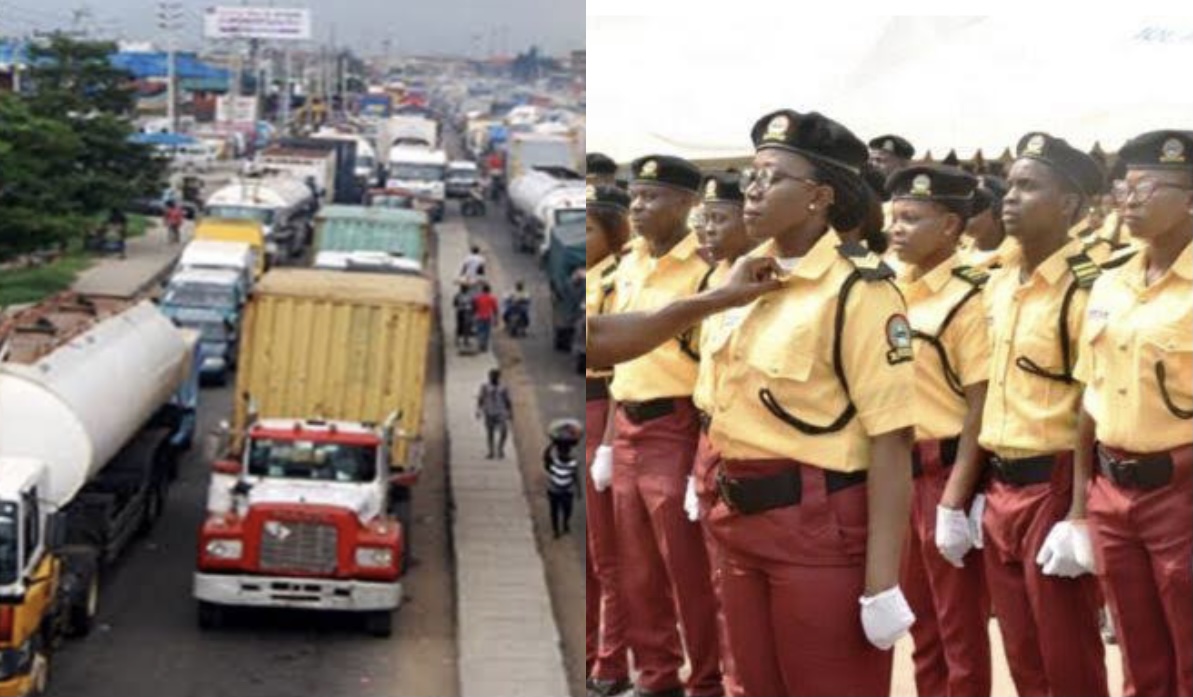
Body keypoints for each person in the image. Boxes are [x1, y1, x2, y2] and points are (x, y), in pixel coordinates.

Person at [698, 109, 915, 696]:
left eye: (772, 176)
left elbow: (892, 438)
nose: (753, 188)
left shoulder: (859, 291)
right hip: (741, 522)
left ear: (819, 196)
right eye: (751, 175)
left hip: (818, 532)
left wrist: (881, 582)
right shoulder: (744, 280)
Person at [978, 131, 1109, 697]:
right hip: (1000, 482)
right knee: (1021, 649)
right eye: (1009, 186)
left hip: (1053, 482)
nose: (1010, 198)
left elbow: (1092, 406)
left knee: (1067, 651)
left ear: (1071, 207)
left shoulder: (1087, 290)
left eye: (1029, 187)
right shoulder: (1001, 282)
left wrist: (1079, 513)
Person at [1073, 130, 1193, 697]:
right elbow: (1090, 397)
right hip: (1113, 493)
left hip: (1183, 491)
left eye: (1149, 188)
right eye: (1126, 187)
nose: (1131, 199)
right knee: (1140, 661)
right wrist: (1081, 503)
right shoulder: (1110, 280)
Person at [607, 154, 723, 697]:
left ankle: (704, 680)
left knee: (688, 572)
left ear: (686, 203)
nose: (637, 205)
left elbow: (713, 371)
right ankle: (656, 676)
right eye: (634, 194)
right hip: (628, 424)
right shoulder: (629, 262)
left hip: (675, 427)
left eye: (651, 196)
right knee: (637, 569)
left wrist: (702, 453)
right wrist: (609, 440)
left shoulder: (705, 273)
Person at [886, 165, 993, 697]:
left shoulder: (968, 296)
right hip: (897, 474)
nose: (896, 228)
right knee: (919, 621)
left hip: (944, 471)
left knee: (959, 630)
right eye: (894, 216)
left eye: (911, 218)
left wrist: (954, 500)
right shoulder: (889, 288)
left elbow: (980, 405)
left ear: (950, 225)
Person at [583, 184, 633, 697]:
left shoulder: (621, 279)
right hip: (592, 400)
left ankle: (611, 659)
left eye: (589, 227)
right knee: (595, 551)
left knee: (610, 555)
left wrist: (608, 440)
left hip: (606, 401)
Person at [543, 422, 580, 538]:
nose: (564, 454)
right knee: (554, 512)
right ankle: (556, 530)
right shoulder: (553, 462)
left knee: (567, 510)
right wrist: (552, 444)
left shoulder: (573, 463)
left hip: (566, 491)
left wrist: (579, 490)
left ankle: (565, 524)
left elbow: (575, 476)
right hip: (554, 491)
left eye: (566, 452)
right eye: (562, 451)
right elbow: (545, 456)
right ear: (558, 452)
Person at [475, 369, 512, 459]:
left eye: (495, 376)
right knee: (490, 433)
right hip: (489, 412)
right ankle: (491, 451)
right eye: (491, 376)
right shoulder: (485, 387)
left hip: (500, 412)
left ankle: (500, 449)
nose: (493, 378)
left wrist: (510, 412)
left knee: (504, 431)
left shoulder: (503, 388)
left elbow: (507, 400)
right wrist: (478, 410)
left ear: (498, 377)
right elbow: (481, 398)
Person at [471, 283, 499, 353]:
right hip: (487, 317)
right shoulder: (492, 298)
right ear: (489, 291)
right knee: (487, 332)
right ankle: (485, 345)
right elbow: (495, 309)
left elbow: (473, 306)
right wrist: (496, 319)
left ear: (482, 290)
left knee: (480, 331)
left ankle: (480, 344)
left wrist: (474, 313)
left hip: (479, 316)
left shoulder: (477, 297)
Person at [453, 281, 476, 348]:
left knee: (460, 326)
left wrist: (460, 305)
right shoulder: (470, 295)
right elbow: (473, 304)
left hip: (460, 311)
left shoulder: (457, 295)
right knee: (466, 327)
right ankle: (465, 341)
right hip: (467, 312)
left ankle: (458, 340)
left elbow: (454, 304)